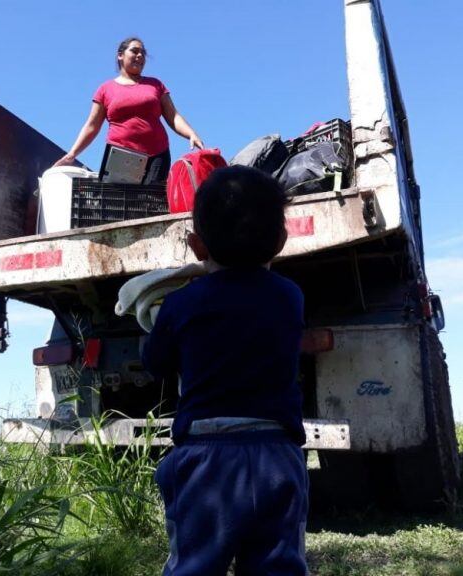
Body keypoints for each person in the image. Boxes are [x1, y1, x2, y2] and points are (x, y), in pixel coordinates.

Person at [142, 166, 308, 575]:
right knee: (278, 567)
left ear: (197, 245)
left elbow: (155, 363)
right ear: (281, 241)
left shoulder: (182, 303)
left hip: (205, 459)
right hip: (277, 453)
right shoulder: (290, 296)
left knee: (194, 567)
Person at [52, 37, 203, 184]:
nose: (140, 56)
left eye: (143, 53)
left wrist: (191, 134)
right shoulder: (105, 89)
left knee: (152, 204)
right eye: (135, 51)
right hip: (121, 155)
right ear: (120, 55)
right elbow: (92, 126)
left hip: (157, 154)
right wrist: (72, 154)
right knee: (119, 203)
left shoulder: (155, 84)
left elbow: (173, 116)